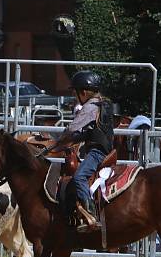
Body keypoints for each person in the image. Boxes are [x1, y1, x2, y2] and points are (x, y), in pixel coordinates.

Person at [47, 70, 113, 233]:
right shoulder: (103, 103)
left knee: (78, 177)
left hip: (97, 152)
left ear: (83, 92)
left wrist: (59, 140)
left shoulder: (91, 106)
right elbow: (90, 131)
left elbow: (73, 127)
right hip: (102, 148)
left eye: (75, 92)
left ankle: (90, 212)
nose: (75, 96)